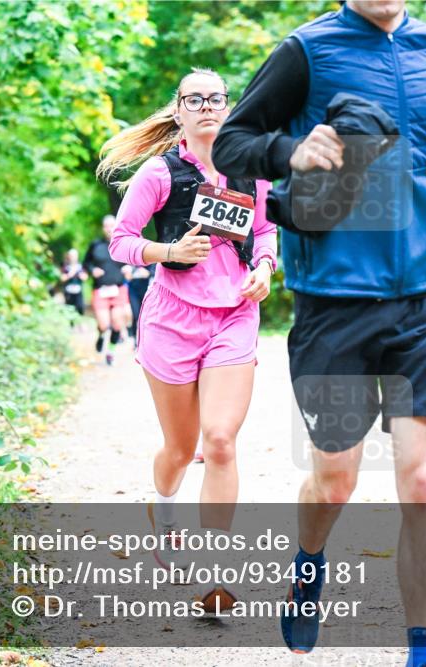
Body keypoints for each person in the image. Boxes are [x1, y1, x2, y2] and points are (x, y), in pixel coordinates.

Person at [213, 1, 426, 664]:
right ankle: (309, 561)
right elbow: (231, 145)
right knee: (335, 482)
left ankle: (422, 653)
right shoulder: (306, 51)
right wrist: (290, 149)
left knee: (425, 484)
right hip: (335, 302)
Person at [99, 67, 277, 608]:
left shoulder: (251, 171)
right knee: (180, 449)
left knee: (219, 440)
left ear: (228, 107)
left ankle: (214, 572)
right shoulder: (159, 173)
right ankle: (165, 508)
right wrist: (169, 252)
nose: (206, 107)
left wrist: (265, 267)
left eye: (215, 98)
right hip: (172, 319)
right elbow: (122, 242)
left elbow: (265, 230)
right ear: (178, 111)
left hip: (234, 315)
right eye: (194, 99)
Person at [83, 215, 131, 365]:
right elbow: (86, 264)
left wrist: (129, 268)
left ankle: (110, 352)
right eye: (106, 226)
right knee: (104, 324)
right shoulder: (95, 245)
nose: (109, 229)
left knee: (117, 323)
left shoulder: (123, 244)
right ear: (103, 228)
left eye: (112, 226)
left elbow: (133, 260)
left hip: (118, 288)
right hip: (101, 289)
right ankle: (101, 334)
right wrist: (92, 270)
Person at [126, 262, 154, 345]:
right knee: (136, 315)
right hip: (133, 288)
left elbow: (157, 268)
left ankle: (146, 340)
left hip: (147, 288)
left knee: (146, 316)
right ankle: (135, 339)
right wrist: (126, 271)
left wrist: (150, 273)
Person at [59, 248, 87, 321]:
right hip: (68, 291)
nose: (73, 258)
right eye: (72, 256)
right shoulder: (65, 267)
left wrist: (81, 276)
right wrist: (69, 275)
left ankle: (79, 322)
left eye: (75, 256)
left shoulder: (80, 267)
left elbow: (85, 277)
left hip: (78, 290)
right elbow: (61, 278)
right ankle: (71, 323)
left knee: (80, 307)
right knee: (69, 308)